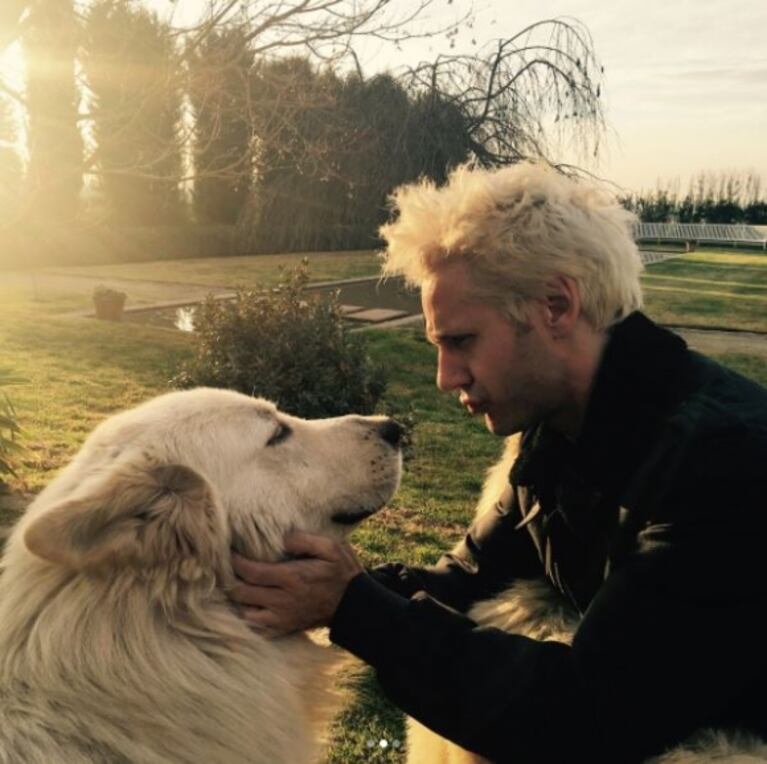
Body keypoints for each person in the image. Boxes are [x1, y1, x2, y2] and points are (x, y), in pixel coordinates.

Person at [230, 162, 767, 763]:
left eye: (460, 342)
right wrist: (305, 585)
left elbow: (587, 716)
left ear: (557, 306)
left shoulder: (727, 462)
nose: (444, 378)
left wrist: (349, 606)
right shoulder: (557, 432)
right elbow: (465, 582)